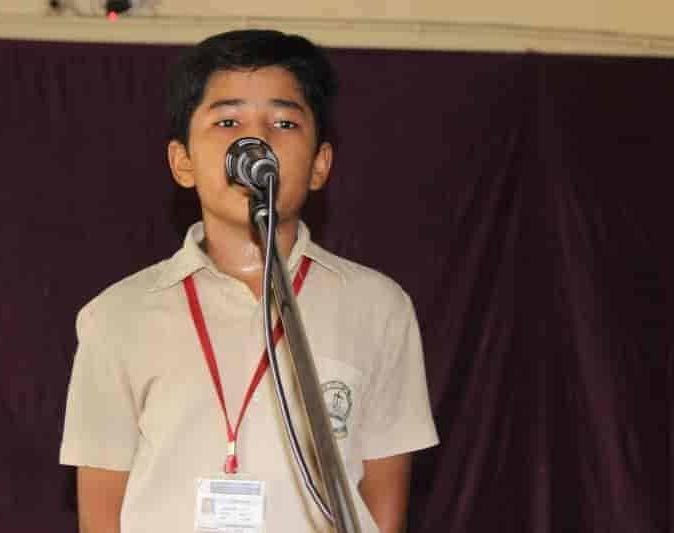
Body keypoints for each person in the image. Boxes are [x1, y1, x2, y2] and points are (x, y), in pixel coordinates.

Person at [60, 29, 438, 533]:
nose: (255, 143)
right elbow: (101, 510)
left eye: (284, 122)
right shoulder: (115, 317)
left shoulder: (377, 307)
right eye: (228, 122)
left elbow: (383, 505)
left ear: (320, 164)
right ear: (183, 162)